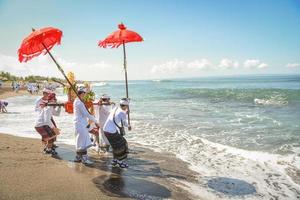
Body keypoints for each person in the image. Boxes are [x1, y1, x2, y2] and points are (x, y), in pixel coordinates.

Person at [73, 88, 100, 165]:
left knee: (79, 140)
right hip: (80, 124)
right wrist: (96, 122)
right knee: (83, 141)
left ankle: (78, 157)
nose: (85, 95)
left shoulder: (77, 101)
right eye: (84, 94)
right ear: (82, 94)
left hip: (80, 123)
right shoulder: (79, 103)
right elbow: (87, 114)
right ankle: (84, 159)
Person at [103, 98, 131, 168]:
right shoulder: (122, 112)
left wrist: (125, 113)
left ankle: (115, 160)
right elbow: (124, 123)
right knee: (123, 144)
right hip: (111, 131)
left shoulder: (115, 108)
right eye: (127, 106)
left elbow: (117, 116)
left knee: (115, 146)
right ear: (126, 106)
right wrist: (129, 126)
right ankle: (120, 162)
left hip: (105, 129)